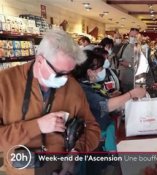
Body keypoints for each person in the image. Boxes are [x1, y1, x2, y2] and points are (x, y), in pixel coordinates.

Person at [0, 30, 100, 175]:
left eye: (69, 72)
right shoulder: (4, 83)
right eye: (60, 73)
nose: (65, 79)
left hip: (62, 170)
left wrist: (77, 150)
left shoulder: (73, 87)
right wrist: (37, 126)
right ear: (40, 60)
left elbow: (92, 128)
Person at [72, 50, 146, 151]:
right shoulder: (83, 89)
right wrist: (131, 94)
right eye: (100, 68)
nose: (103, 70)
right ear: (89, 72)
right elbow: (105, 106)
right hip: (96, 139)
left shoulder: (88, 85)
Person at [117, 28, 140, 93]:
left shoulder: (140, 49)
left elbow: (141, 66)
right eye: (131, 36)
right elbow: (119, 57)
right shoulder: (125, 46)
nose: (132, 38)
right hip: (122, 79)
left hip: (134, 81)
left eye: (134, 36)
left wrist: (129, 65)